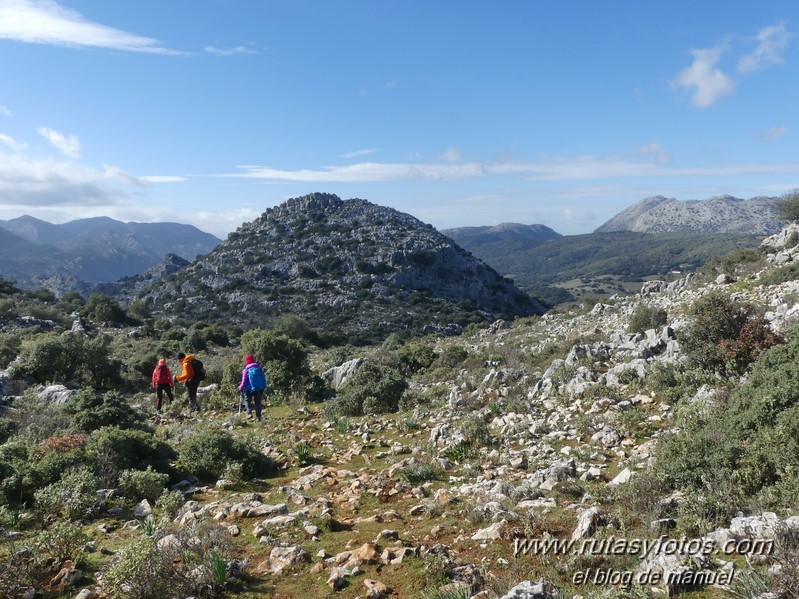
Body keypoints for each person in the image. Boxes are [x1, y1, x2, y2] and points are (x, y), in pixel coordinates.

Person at [238, 354, 268, 421]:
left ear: (247, 361)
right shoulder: (259, 368)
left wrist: (241, 388)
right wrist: (264, 386)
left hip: (249, 389)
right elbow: (263, 377)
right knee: (258, 402)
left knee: (247, 400)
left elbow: (244, 381)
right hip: (259, 389)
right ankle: (259, 416)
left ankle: (249, 413)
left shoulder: (246, 370)